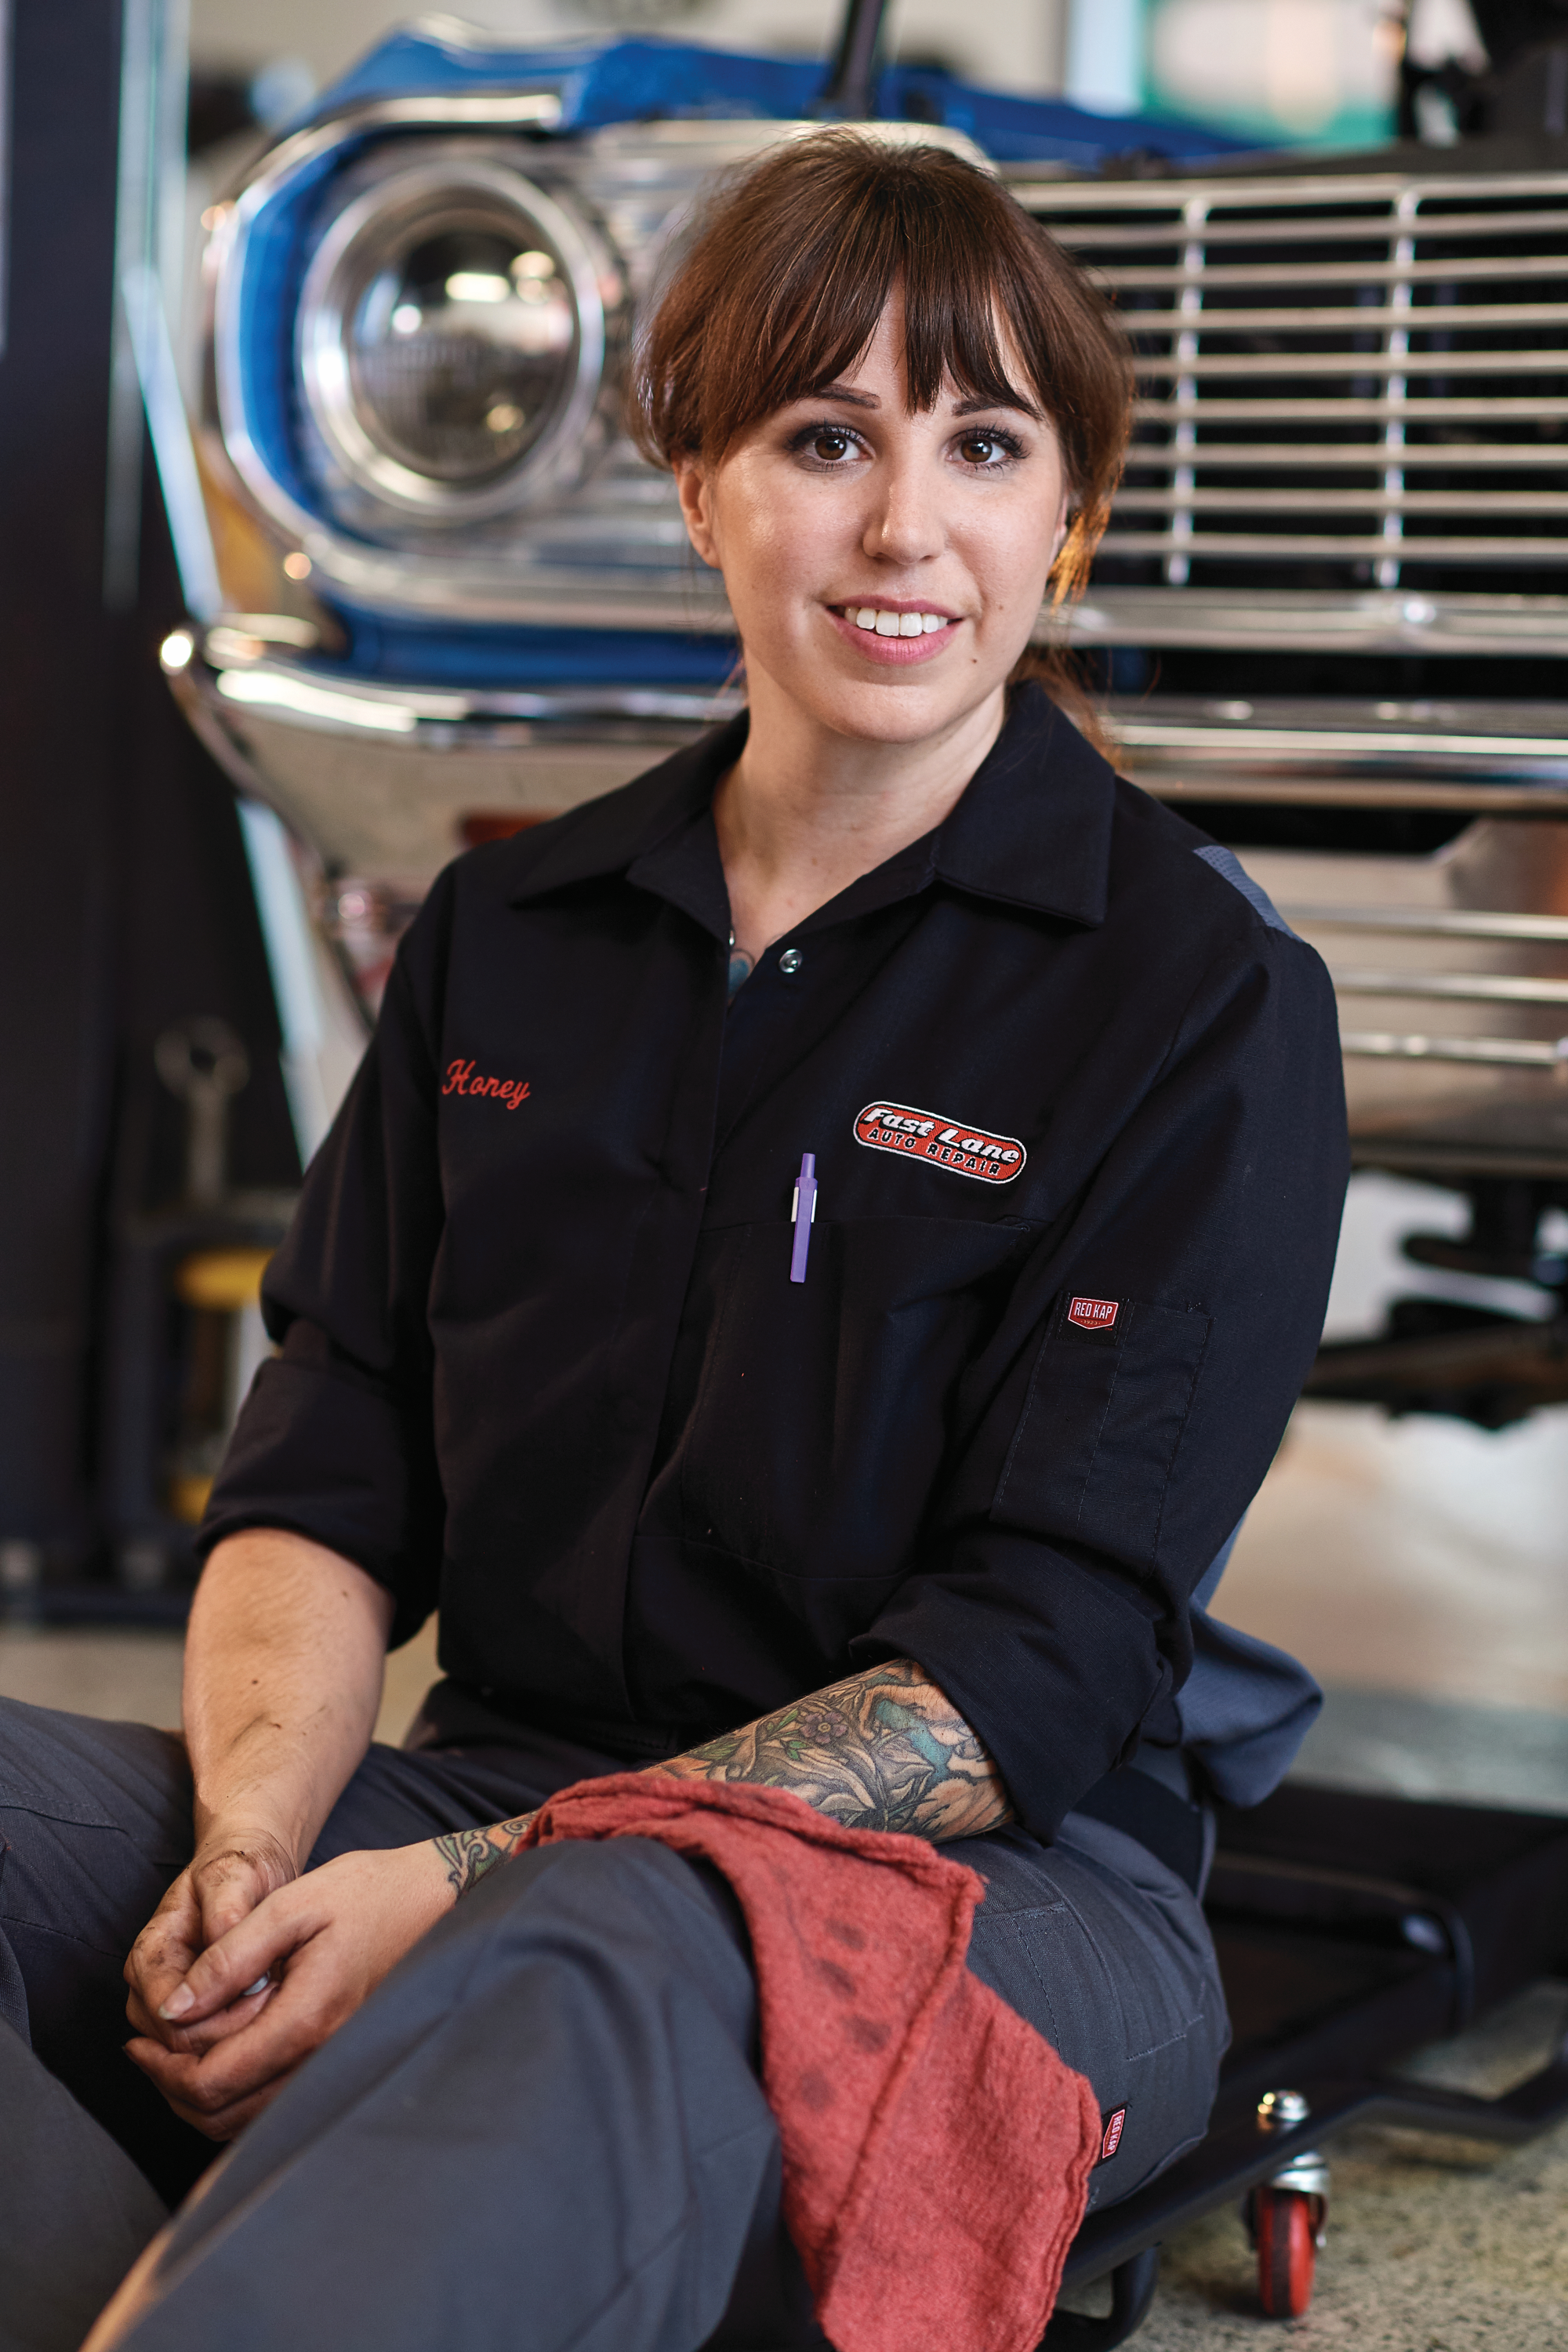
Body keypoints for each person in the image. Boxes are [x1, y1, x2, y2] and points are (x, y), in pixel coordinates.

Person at [0, 131, 1347, 2352]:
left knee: (596, 1940)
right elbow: (327, 1464)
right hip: (489, 1784)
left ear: (1067, 522)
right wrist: (255, 1854)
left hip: (1000, 1887)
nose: (908, 525)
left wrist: (452, 1893)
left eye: (986, 447)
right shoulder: (512, 936)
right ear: (701, 486)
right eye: (827, 438)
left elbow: (1039, 1664)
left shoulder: (1195, 1001)